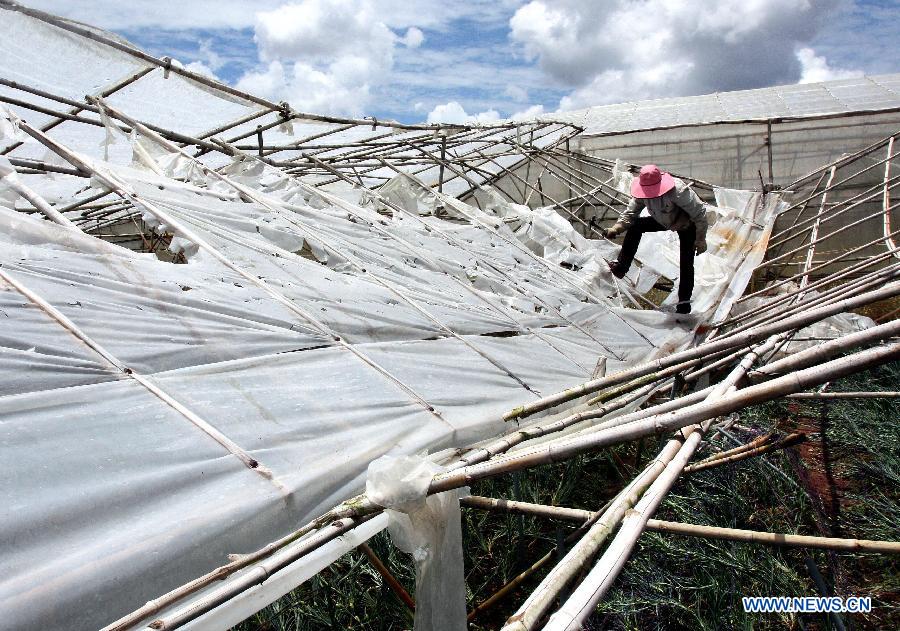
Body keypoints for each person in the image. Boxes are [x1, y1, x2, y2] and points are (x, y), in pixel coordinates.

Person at [602, 164, 708, 314]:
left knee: (686, 263)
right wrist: (616, 228)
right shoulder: (642, 192)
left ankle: (683, 306)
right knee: (636, 226)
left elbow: (700, 213)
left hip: (686, 224)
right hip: (662, 219)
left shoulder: (677, 191)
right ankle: (622, 266)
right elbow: (630, 213)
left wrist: (701, 239)